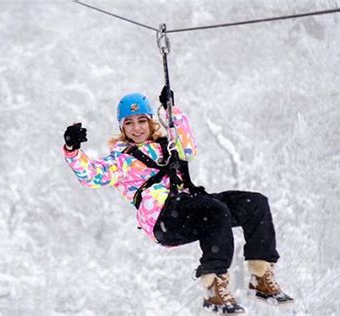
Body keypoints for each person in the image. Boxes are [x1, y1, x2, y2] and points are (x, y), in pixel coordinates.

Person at [62, 87, 294, 314]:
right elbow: (91, 175)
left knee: (255, 203)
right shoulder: (121, 160)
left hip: (190, 204)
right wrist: (73, 150)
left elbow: (189, 149)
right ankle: (214, 284)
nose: (136, 128)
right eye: (129, 123)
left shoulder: (168, 145)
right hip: (164, 219)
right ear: (122, 128)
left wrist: (171, 112)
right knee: (215, 210)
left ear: (151, 121)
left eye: (141, 120)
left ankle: (261, 276)